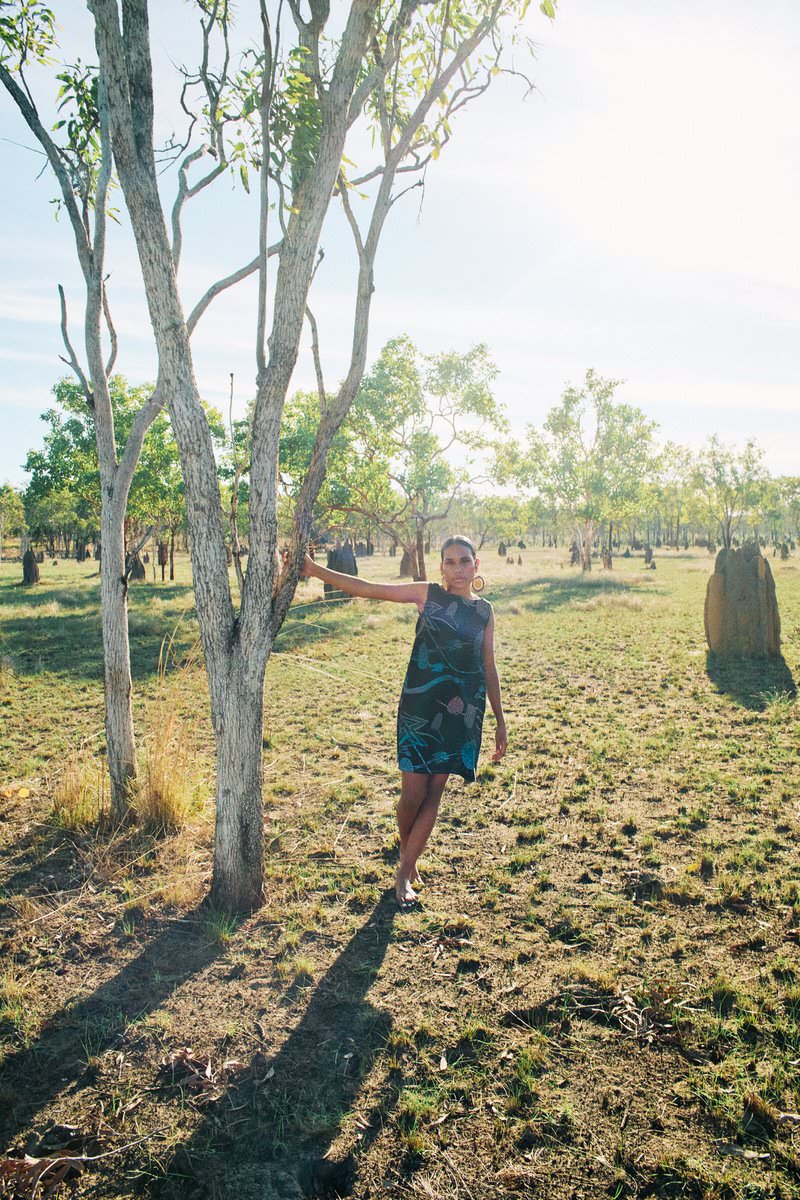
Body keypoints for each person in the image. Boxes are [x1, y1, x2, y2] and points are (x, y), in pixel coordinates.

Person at [303, 534, 507, 906]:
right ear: (440, 567)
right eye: (450, 562)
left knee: (435, 791)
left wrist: (500, 719)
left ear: (476, 565)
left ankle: (403, 873)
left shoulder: (485, 612)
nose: (458, 569)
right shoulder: (427, 595)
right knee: (412, 794)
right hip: (421, 705)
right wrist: (315, 570)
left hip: (462, 712)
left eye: (465, 561)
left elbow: (489, 666)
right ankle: (407, 852)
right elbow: (367, 588)